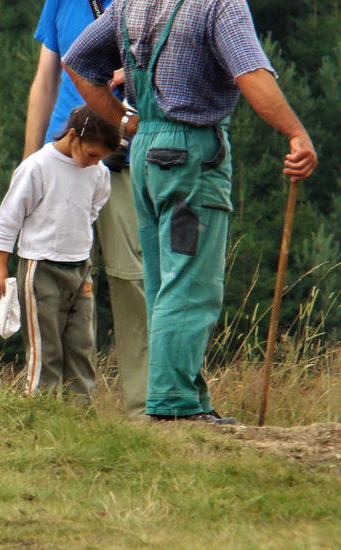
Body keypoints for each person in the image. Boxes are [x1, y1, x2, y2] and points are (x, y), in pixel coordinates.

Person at [62, 0, 317, 423]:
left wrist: (126, 122)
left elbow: (77, 62)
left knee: (166, 280)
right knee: (190, 283)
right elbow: (251, 76)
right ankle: (174, 406)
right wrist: (296, 133)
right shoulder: (220, 4)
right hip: (190, 159)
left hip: (145, 156)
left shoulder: (130, 3)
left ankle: (189, 400)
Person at [25, 0, 148, 419]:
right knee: (55, 282)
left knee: (129, 278)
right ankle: (61, 408)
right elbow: (45, 81)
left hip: (123, 155)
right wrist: (30, 161)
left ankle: (143, 406)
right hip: (62, 156)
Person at [0, 106, 120, 404]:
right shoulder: (37, 167)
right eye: (91, 154)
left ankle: (78, 412)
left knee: (82, 344)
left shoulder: (98, 172)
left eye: (101, 158)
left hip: (80, 268)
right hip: (40, 267)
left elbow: (94, 208)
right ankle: (41, 408)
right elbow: (10, 216)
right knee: (46, 346)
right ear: (73, 135)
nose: (94, 162)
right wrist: (0, 262)